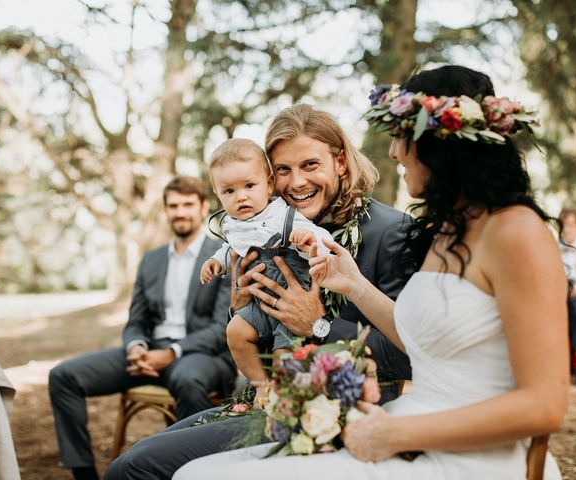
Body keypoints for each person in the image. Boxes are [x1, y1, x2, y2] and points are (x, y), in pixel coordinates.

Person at [174, 65, 569, 480]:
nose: (395, 151)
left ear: (439, 144)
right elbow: (422, 339)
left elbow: (544, 406)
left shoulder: (518, 232)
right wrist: (353, 285)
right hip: (400, 425)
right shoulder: (449, 233)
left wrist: (395, 431)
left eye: (402, 137)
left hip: (462, 454)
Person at [105, 104, 415, 479]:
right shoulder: (263, 226)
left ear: (341, 163)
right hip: (266, 396)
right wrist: (241, 307)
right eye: (283, 170)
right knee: (133, 459)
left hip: (339, 410)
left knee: (138, 468)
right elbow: (253, 334)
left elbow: (412, 355)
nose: (296, 183)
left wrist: (319, 325)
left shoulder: (391, 230)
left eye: (310, 165)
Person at [48, 176, 237, 480]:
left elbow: (220, 329)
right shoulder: (151, 260)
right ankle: (84, 475)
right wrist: (136, 346)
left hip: (202, 355)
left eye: (188, 205)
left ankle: (187, 473)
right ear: (165, 210)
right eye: (173, 206)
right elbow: (136, 320)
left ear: (203, 207)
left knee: (188, 379)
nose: (180, 212)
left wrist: (173, 352)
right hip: (148, 354)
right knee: (64, 376)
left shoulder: (225, 255)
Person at [201, 137, 335, 390]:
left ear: (269, 184)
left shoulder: (283, 216)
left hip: (292, 303)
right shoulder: (234, 224)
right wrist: (215, 261)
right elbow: (230, 247)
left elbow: (322, 239)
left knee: (283, 357)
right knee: (235, 332)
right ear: (218, 195)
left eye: (249, 186)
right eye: (229, 191)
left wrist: (308, 240)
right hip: (259, 303)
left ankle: (283, 397)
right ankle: (261, 385)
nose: (241, 197)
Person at [558, 205, 576, 385]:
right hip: (563, 294)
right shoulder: (560, 246)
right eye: (564, 225)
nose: (568, 229)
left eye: (572, 225)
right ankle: (564, 372)